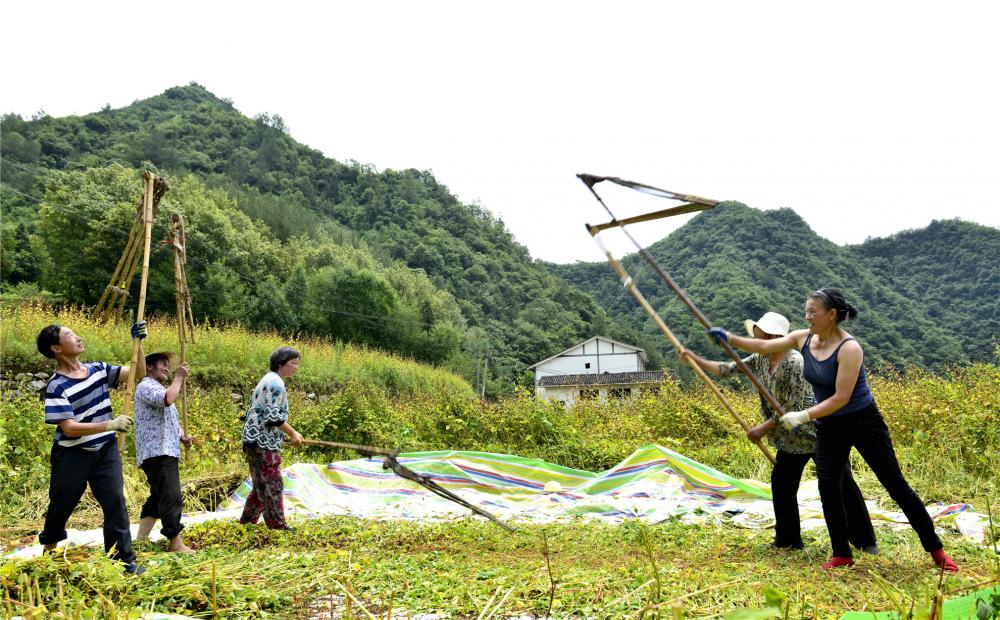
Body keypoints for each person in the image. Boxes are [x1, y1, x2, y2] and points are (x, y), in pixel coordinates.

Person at [706, 288, 958, 571]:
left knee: (895, 485)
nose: (807, 316)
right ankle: (842, 553)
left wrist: (802, 415)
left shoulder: (850, 348)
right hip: (830, 425)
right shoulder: (803, 338)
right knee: (829, 487)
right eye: (806, 311)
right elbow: (764, 347)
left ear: (832, 315)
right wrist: (729, 338)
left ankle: (936, 551)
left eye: (813, 311)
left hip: (863, 421)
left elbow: (841, 398)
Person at [682, 311, 878, 552]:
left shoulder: (797, 363)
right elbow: (727, 369)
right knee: (782, 485)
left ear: (772, 336)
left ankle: (864, 540)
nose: (756, 337)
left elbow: (796, 405)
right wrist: (694, 359)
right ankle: (788, 539)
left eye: (760, 333)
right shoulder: (760, 359)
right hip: (789, 439)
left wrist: (762, 429)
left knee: (841, 484)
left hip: (816, 433)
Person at [36, 321, 147, 574]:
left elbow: (138, 373)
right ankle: (49, 549)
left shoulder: (98, 369)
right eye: (69, 335)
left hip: (104, 451)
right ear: (56, 348)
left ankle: (123, 560)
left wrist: (138, 344)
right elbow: (69, 428)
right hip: (72, 454)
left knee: (115, 501)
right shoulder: (57, 385)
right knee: (61, 504)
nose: (77, 337)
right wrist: (110, 424)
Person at [133, 350, 194, 553]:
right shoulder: (147, 386)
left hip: (164, 449)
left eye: (168, 365)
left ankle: (140, 538)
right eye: (162, 364)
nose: (167, 368)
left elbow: (169, 418)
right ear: (149, 367)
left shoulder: (158, 387)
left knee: (158, 496)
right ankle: (175, 542)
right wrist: (179, 377)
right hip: (157, 451)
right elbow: (167, 399)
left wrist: (182, 435)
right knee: (171, 496)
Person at [239, 346, 304, 530]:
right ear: (280, 363)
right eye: (293, 363)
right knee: (273, 483)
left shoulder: (268, 379)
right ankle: (278, 526)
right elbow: (273, 418)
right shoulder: (276, 384)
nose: (296, 367)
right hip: (261, 442)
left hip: (255, 440)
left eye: (297, 363)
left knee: (261, 484)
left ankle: (247, 523)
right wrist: (292, 433)